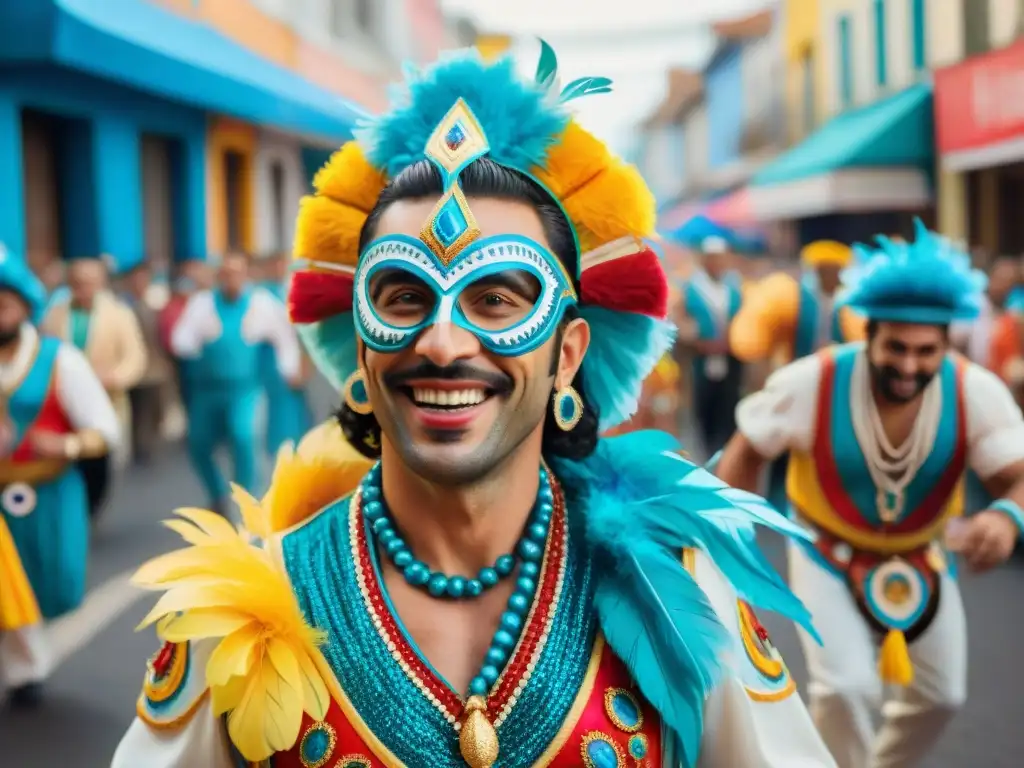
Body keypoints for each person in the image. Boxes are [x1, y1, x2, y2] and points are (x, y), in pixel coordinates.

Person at [111, 44, 836, 767]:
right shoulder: (244, 617)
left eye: (496, 300)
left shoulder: (681, 585)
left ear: (569, 354)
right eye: (403, 297)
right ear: (361, 348)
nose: (444, 341)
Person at [715, 222, 1024, 768]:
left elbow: (1016, 477)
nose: (909, 365)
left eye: (926, 351)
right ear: (870, 334)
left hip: (923, 557)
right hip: (825, 553)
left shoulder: (975, 389)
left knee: (942, 695)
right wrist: (728, 546)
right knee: (847, 690)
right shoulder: (814, 379)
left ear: (946, 343)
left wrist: (1005, 518)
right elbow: (748, 448)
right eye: (896, 348)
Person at [0, 245, 119, 708]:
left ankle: (30, 653)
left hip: (51, 491)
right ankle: (25, 672)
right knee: (11, 589)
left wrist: (66, 445)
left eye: (5, 304)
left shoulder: (60, 359)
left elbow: (104, 430)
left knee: (57, 583)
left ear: (26, 308)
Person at [728, 240, 865, 510]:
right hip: (799, 378)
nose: (830, 273)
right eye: (825, 268)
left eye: (835, 268)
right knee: (786, 436)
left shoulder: (849, 303)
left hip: (837, 385)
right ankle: (779, 495)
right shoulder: (797, 296)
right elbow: (767, 337)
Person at [170, 252, 301, 513]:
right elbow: (180, 340)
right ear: (219, 276)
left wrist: (290, 368)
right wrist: (197, 344)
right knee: (198, 443)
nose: (231, 279)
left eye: (237, 273)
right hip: (206, 390)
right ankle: (218, 493)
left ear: (246, 275)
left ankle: (244, 499)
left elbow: (283, 337)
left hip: (245, 389)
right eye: (226, 273)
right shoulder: (202, 304)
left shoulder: (261, 303)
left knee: (244, 437)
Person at [41, 256, 147, 515]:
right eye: (77, 282)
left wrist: (114, 377)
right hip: (65, 405)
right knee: (70, 461)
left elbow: (135, 357)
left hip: (106, 400)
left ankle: (92, 507)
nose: (83, 288)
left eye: (89, 283)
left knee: (100, 461)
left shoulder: (118, 314)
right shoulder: (55, 314)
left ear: (100, 283)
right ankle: (76, 511)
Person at [673, 218, 745, 456]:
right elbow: (680, 322)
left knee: (729, 410)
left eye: (721, 258)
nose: (717, 263)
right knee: (703, 412)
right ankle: (706, 453)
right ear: (704, 260)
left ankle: (723, 454)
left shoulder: (734, 288)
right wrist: (695, 339)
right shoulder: (690, 288)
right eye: (712, 258)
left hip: (730, 360)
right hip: (700, 361)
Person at [258, 251, 313, 458]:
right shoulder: (260, 297)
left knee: (295, 416)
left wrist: (304, 364)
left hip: (292, 363)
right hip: (269, 365)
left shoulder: (292, 293)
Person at [121, 261, 173, 465]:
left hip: (156, 368)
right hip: (135, 370)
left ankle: (151, 443)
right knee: (137, 411)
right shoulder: (124, 308)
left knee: (156, 410)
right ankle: (141, 450)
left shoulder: (156, 305)